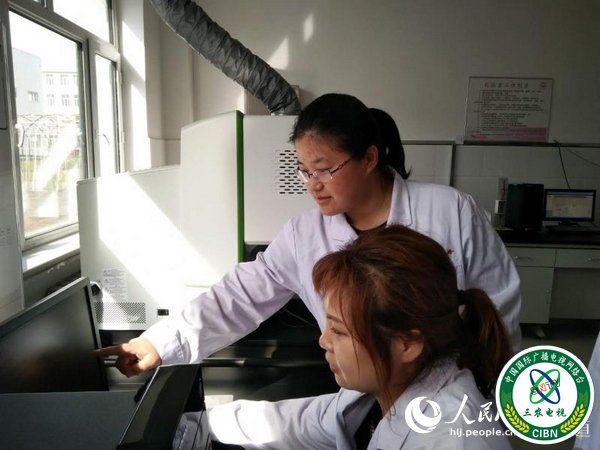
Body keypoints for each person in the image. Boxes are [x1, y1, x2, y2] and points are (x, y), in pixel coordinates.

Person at [96, 93, 521, 376]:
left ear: (369, 158)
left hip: (452, 389)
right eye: (303, 170)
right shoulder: (305, 234)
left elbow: (497, 308)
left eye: (324, 169)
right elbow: (240, 295)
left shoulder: (449, 211)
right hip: (364, 396)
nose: (312, 184)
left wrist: (492, 391)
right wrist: (159, 342)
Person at [206, 225, 513, 449]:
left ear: (408, 344)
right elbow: (291, 423)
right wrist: (194, 426)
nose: (324, 341)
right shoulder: (377, 391)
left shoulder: (451, 440)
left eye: (339, 331)